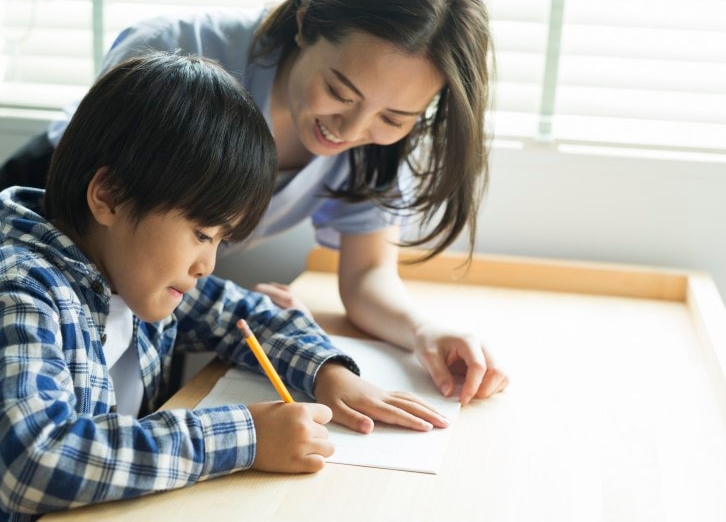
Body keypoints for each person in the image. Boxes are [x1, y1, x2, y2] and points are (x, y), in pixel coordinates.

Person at [0, 0, 509, 404]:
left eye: (394, 119)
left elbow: (367, 274)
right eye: (340, 91)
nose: (352, 129)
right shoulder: (175, 52)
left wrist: (422, 332)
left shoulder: (374, 150)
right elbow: (104, 231)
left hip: (147, 270)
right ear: (306, 24)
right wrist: (244, 436)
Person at [0, 52, 449, 520]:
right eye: (201, 234)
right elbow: (34, 461)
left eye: (220, 241)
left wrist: (329, 374)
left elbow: (247, 315)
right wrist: (248, 437)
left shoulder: (124, 265)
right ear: (109, 196)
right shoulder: (21, 288)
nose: (207, 265)